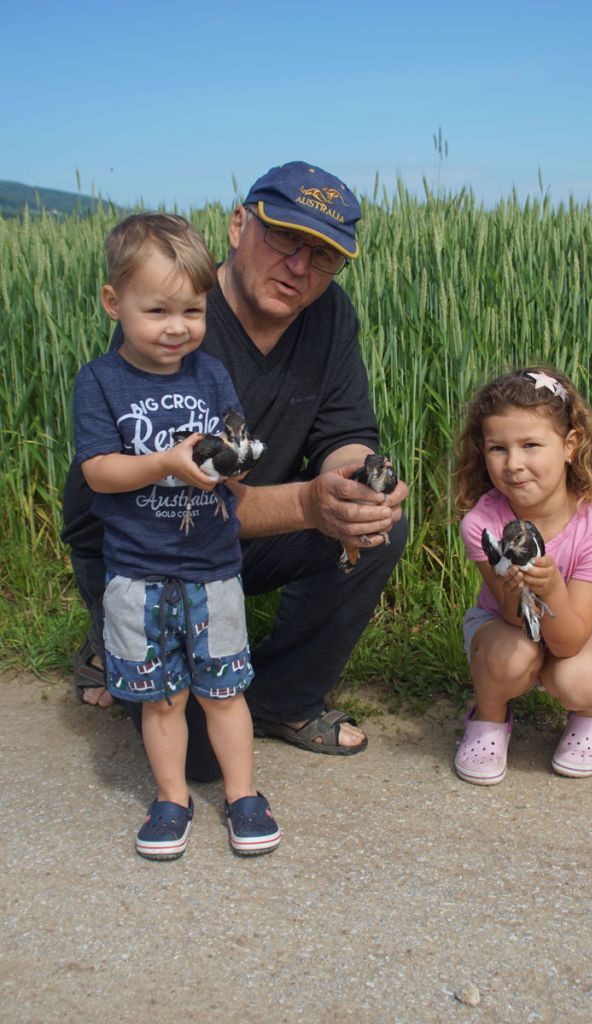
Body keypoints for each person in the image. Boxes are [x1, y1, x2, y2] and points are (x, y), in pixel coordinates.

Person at [62, 161, 409, 778]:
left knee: (378, 525)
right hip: (144, 547)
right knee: (196, 763)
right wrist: (308, 506)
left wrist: (358, 481)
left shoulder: (329, 317)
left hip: (232, 538)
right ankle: (114, 637)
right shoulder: (179, 323)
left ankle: (282, 698)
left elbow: (346, 434)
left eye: (324, 256)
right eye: (285, 239)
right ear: (238, 225)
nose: (301, 267)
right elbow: (178, 502)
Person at [73, 212, 281, 858]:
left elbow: (232, 449)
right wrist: (166, 462)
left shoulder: (210, 375)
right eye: (157, 310)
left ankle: (244, 794)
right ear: (114, 303)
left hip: (212, 566)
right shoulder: (100, 381)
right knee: (163, 700)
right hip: (136, 570)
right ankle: (171, 798)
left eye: (191, 311)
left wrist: (237, 459)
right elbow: (100, 473)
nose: (176, 328)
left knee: (224, 690)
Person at [452, 367, 592, 785]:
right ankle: (490, 716)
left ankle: (590, 715)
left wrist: (550, 588)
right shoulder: (481, 525)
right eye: (498, 448)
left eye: (531, 445)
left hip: (577, 630)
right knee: (511, 657)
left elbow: (568, 639)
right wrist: (516, 590)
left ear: (569, 445)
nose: (514, 464)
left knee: (583, 678)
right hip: (504, 624)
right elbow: (514, 619)